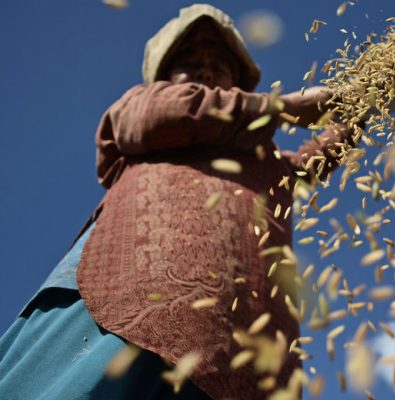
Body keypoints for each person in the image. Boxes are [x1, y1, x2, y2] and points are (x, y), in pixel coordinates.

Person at [0, 4, 357, 399]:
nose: (205, 71)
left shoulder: (265, 163)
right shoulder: (145, 104)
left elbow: (312, 165)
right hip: (128, 303)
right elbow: (166, 114)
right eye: (189, 63)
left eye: (219, 66)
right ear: (165, 76)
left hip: (236, 348)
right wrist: (283, 107)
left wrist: (363, 104)